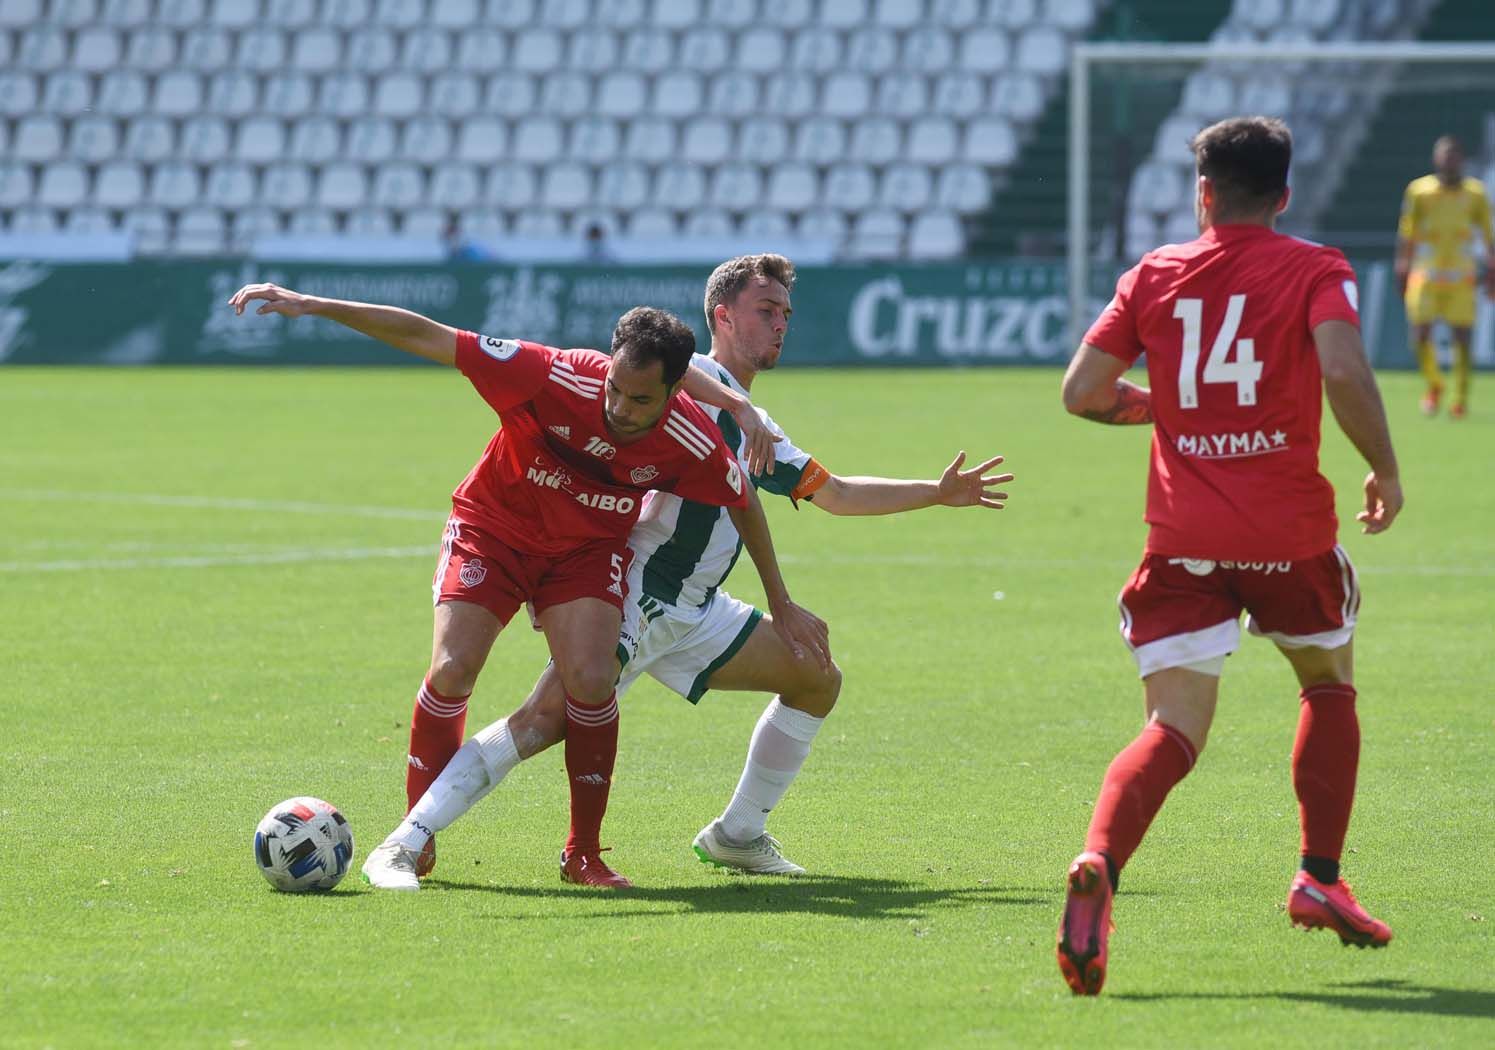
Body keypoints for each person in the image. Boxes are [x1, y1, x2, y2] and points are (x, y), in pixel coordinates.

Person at [363, 253, 1012, 891]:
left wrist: (934, 490)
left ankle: (735, 835)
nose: (779, 323)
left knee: (816, 679)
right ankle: (406, 841)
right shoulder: (682, 381)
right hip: (639, 595)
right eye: (765, 310)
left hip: (697, 610)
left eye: (785, 312)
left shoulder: (757, 429)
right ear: (721, 316)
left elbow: (835, 492)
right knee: (541, 720)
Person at [226, 283, 782, 889]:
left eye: (640, 399)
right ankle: (417, 836)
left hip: (584, 552)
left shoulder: (690, 439)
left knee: (593, 682)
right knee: (452, 669)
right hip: (495, 527)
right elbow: (430, 336)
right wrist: (314, 304)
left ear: (675, 392)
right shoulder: (552, 374)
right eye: (614, 388)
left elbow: (744, 500)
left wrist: (783, 602)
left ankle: (584, 855)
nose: (619, 408)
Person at [1055, 117, 1404, 995]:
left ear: (1200, 193)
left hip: (1183, 541)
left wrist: (1167, 411)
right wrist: (1384, 467)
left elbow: (1082, 393)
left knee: (1171, 728)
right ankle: (1318, 876)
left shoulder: (1154, 274)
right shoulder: (1315, 267)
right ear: (1284, 194)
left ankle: (1098, 860)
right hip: (1286, 533)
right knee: (1325, 683)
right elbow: (1341, 368)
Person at [1395, 135, 1495, 418]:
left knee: (1462, 336)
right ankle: (1435, 384)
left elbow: (1489, 233)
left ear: (1461, 159)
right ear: (1435, 159)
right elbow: (1407, 231)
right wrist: (1402, 265)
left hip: (1461, 276)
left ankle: (1461, 396)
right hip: (1425, 273)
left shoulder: (1476, 193)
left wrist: (1492, 267)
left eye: (1453, 156)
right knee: (1420, 333)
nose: (1448, 161)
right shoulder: (1419, 191)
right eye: (1444, 155)